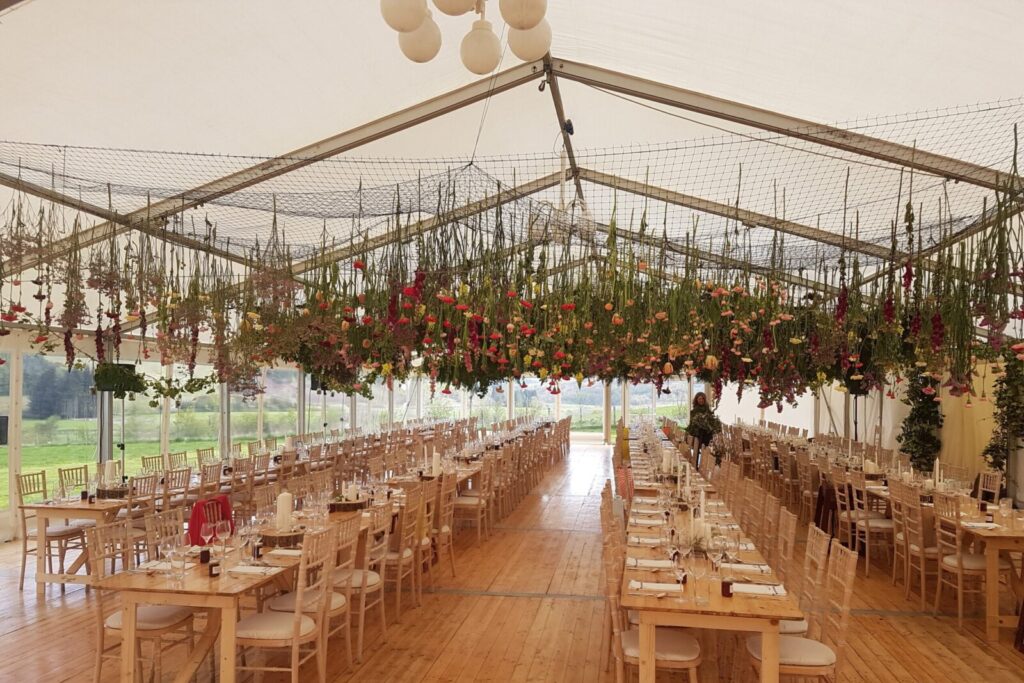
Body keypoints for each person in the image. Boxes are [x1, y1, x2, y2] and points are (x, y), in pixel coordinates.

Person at [686, 392, 721, 466]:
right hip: (698, 434)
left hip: (707, 434)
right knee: (697, 450)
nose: (701, 400)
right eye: (699, 399)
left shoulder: (707, 409)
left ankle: (705, 465)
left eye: (702, 399)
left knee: (706, 450)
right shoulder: (694, 411)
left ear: (704, 399)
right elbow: (692, 423)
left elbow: (710, 420)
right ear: (696, 400)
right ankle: (696, 465)